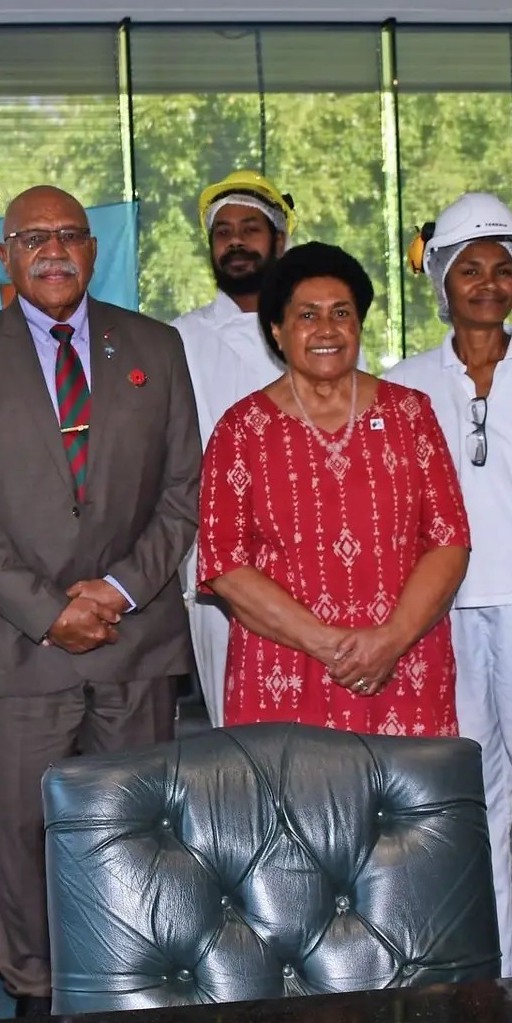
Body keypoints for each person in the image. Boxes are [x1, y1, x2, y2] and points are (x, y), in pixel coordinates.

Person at [0, 186, 200, 1017]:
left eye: (69, 236)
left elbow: (183, 490)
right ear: (5, 256)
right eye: (33, 237)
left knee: (138, 833)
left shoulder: (156, 346)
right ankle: (35, 1000)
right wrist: (51, 611)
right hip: (24, 649)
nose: (53, 250)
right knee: (28, 840)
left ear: (91, 249)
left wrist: (114, 591)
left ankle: (136, 991)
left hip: (135, 639)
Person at [384, 194, 512, 977]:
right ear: (439, 280)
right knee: (473, 806)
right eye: (468, 268)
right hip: (442, 621)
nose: (487, 283)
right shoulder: (401, 387)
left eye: (501, 268)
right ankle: (494, 978)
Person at [198, 243, 470, 735]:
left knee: (411, 807)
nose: (326, 329)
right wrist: (330, 646)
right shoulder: (240, 430)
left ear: (358, 326)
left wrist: (390, 640)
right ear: (277, 332)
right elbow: (225, 566)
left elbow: (449, 540)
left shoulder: (411, 415)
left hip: (402, 665)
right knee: (290, 808)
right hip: (282, 672)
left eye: (341, 313)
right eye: (307, 315)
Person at [173, 172, 293, 726]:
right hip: (219, 565)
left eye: (251, 228)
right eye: (223, 232)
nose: (237, 241)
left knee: (316, 728)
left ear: (279, 240)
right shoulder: (177, 340)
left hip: (312, 558)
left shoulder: (311, 329)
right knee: (237, 726)